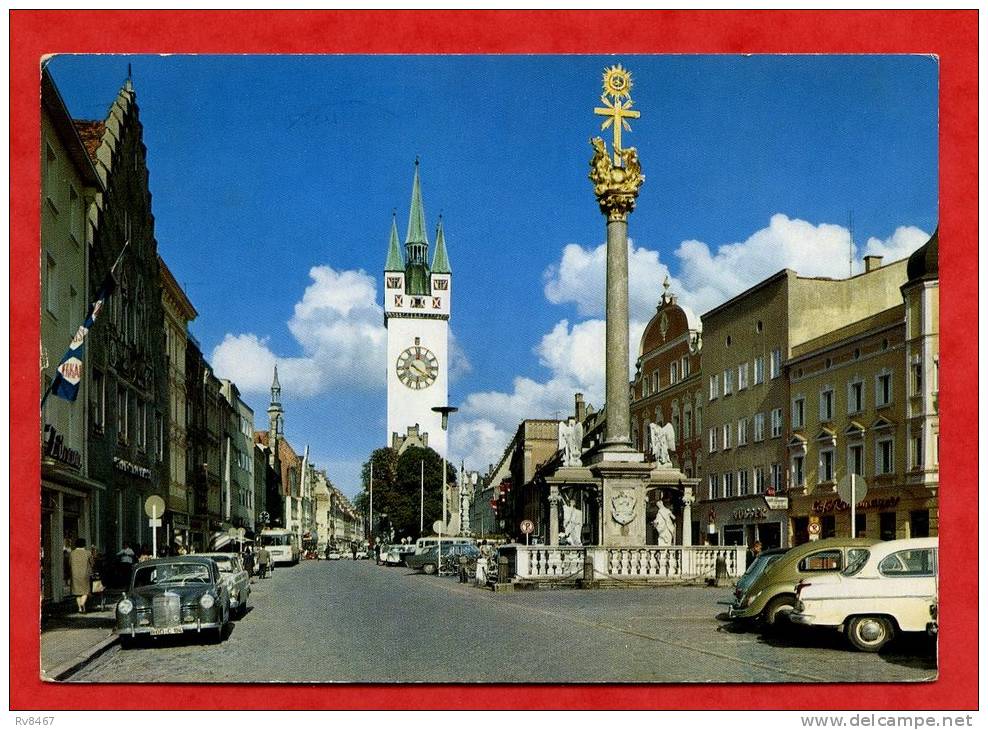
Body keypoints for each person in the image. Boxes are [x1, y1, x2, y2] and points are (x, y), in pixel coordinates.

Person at [69, 538, 93, 613]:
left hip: (75, 574)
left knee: (77, 593)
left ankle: (79, 608)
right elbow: (92, 563)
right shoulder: (88, 553)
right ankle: (82, 604)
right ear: (84, 544)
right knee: (85, 591)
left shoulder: (72, 553)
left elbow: (69, 563)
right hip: (85, 574)